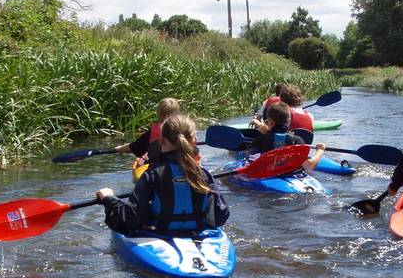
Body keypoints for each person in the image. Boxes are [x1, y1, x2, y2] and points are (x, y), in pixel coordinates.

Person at [95, 114, 230, 235]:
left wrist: (109, 198)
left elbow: (129, 221)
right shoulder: (204, 175)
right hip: (197, 234)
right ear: (194, 140)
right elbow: (219, 217)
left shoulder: (152, 176)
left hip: (160, 234)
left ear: (162, 141)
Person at [245, 101, 326, 173]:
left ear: (270, 121)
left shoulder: (262, 138)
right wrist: (320, 150)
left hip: (268, 174)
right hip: (292, 175)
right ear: (289, 121)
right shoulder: (297, 140)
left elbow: (248, 155)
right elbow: (309, 167)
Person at [114, 97, 181, 167]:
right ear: (178, 113)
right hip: (179, 164)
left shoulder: (152, 131)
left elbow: (133, 147)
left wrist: (119, 149)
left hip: (157, 167)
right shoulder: (185, 129)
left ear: (158, 113)